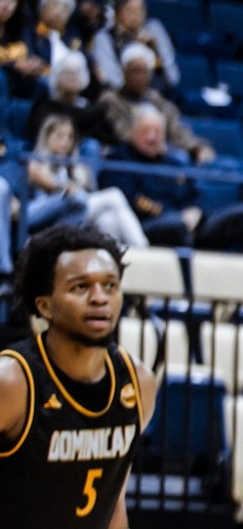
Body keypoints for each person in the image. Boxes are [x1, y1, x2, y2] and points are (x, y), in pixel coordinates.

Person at [0, 225, 158, 529]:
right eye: (80, 287)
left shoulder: (138, 383)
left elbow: (113, 506)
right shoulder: (13, 382)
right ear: (45, 306)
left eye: (110, 285)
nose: (100, 298)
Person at [99, 104, 243, 251]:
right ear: (132, 132)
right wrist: (176, 216)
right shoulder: (119, 159)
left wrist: (196, 211)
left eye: (157, 132)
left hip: (192, 224)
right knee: (175, 225)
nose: (152, 137)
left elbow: (197, 194)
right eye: (146, 131)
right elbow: (129, 200)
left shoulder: (174, 162)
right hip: (149, 226)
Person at [23, 113, 149, 246]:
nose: (65, 142)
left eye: (70, 137)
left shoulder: (75, 167)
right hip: (50, 215)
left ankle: (117, 257)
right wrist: (65, 187)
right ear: (47, 136)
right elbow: (48, 187)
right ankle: (143, 247)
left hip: (75, 214)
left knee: (108, 220)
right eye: (59, 136)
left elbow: (87, 191)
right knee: (113, 195)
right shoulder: (35, 162)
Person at [89, 0, 179, 91]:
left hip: (157, 93)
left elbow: (172, 76)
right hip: (121, 96)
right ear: (118, 14)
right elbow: (111, 78)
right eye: (130, 10)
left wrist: (155, 48)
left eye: (140, 10)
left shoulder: (154, 29)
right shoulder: (104, 36)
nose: (137, 15)